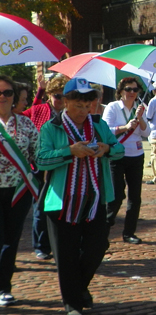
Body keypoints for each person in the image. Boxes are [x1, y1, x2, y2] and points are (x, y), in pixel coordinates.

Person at [36, 78, 124, 315]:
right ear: (65, 102)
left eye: (88, 106)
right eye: (78, 106)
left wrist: (106, 149)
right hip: (61, 202)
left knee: (97, 247)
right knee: (66, 256)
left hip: (94, 199)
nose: (83, 111)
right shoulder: (51, 127)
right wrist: (69, 151)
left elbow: (119, 150)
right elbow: (41, 159)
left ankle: (80, 286)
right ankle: (72, 304)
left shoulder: (99, 125)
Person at [0, 75, 39, 307]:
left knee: (11, 240)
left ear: (15, 96)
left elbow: (38, 151)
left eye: (7, 93)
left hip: (19, 191)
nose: (2, 97)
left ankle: (4, 287)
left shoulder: (25, 123)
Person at [23, 75, 68, 261]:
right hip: (40, 166)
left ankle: (59, 243)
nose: (61, 100)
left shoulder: (70, 113)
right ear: (50, 95)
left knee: (61, 206)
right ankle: (41, 246)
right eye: (57, 96)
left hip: (63, 164)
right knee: (40, 206)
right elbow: (19, 118)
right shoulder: (39, 110)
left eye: (65, 96)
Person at [103, 77, 150, 244]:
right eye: (128, 89)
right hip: (117, 156)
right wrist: (125, 127)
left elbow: (147, 133)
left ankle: (129, 232)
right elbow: (106, 130)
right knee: (116, 196)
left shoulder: (140, 108)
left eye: (135, 90)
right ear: (121, 91)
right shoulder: (113, 107)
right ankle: (104, 229)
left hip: (136, 155)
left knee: (135, 197)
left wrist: (141, 119)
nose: (132, 93)